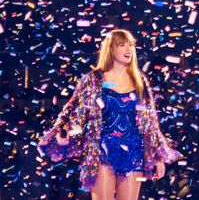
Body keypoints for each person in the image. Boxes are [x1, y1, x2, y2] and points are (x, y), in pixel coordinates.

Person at [37, 29, 183, 200]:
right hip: (101, 149)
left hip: (133, 151)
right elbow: (74, 114)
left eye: (131, 45)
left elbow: (150, 123)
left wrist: (157, 155)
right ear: (111, 49)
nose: (128, 49)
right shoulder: (93, 80)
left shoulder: (140, 81)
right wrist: (66, 130)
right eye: (122, 45)